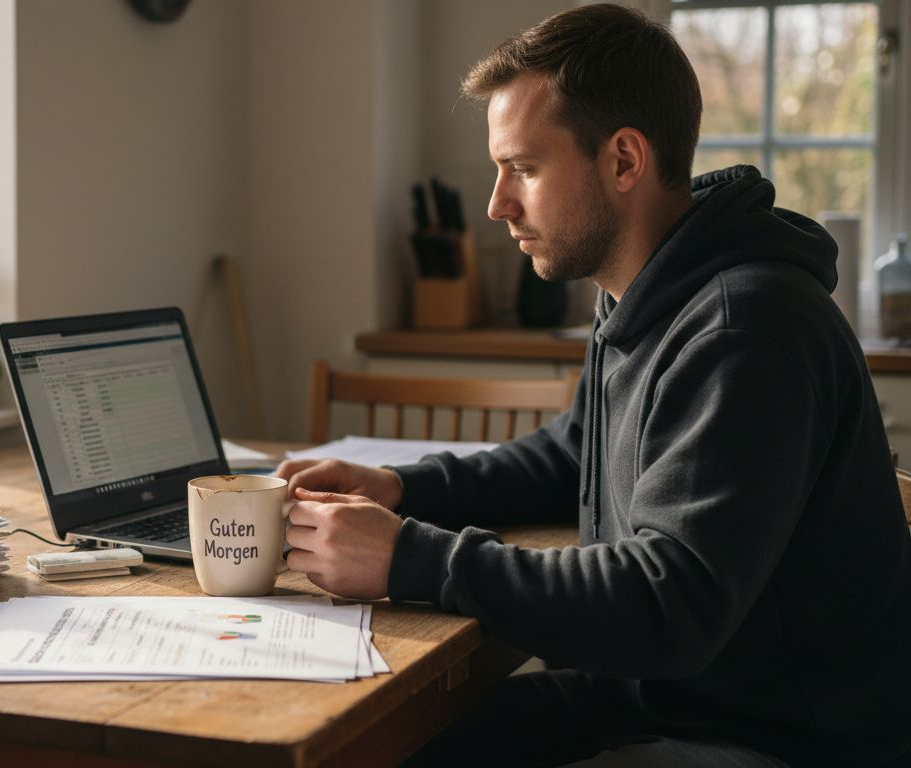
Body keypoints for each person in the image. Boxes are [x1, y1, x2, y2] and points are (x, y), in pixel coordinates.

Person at [276, 4, 911, 766]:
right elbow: (569, 455)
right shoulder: (643, 292)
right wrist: (399, 490)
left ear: (623, 161)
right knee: (390, 741)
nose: (497, 203)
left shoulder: (746, 329)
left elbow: (666, 603)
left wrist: (414, 558)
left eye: (525, 168)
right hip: (659, 695)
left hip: (769, 738)